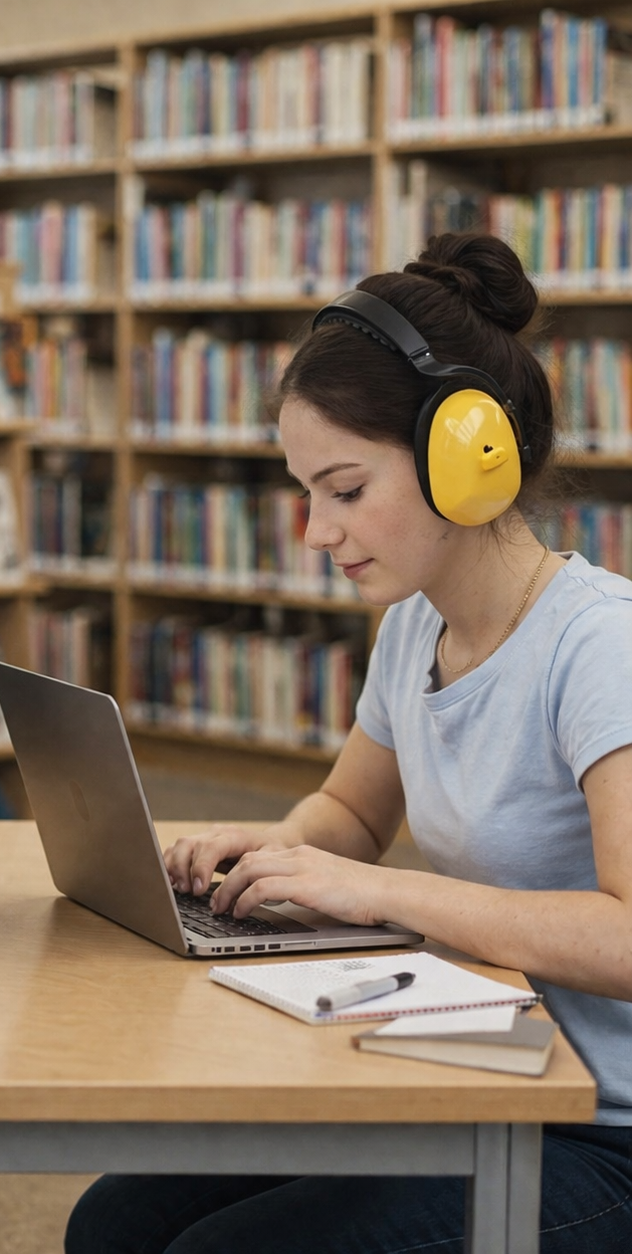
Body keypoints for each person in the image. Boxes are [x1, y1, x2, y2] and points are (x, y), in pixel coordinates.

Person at [65, 233, 632, 1253]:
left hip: (602, 1133)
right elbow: (356, 814)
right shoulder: (416, 620)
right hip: (480, 1069)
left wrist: (378, 894)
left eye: (345, 488)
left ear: (470, 457)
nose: (315, 531)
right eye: (303, 492)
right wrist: (274, 851)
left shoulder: (601, 648)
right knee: (114, 1224)